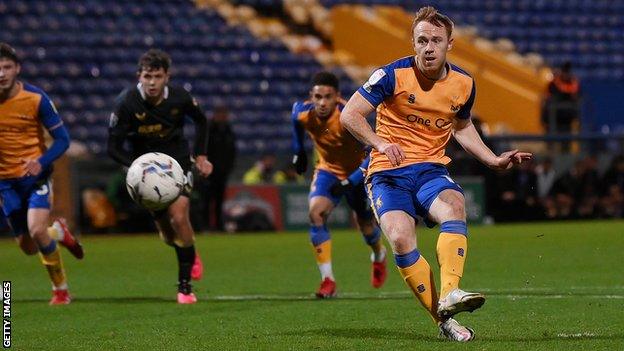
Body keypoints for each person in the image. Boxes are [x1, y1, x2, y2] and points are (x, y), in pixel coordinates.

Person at [339, 7, 532, 341]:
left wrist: (492, 159)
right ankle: (444, 321)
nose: (429, 48)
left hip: (429, 169)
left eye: (436, 41)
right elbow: (351, 115)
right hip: (388, 172)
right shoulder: (391, 76)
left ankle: (451, 293)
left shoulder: (464, 84)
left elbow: (462, 126)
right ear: (413, 43)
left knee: (455, 205)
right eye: (422, 40)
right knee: (400, 237)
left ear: (450, 44)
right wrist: (379, 143)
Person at [107, 49, 213, 304]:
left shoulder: (180, 98)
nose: (152, 82)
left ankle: (184, 287)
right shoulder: (126, 103)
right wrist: (136, 168)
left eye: (157, 76)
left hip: (177, 164)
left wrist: (200, 156)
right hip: (146, 175)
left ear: (167, 77)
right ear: (139, 76)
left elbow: (201, 121)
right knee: (167, 234)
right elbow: (113, 147)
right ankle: (188, 251)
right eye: (147, 76)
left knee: (179, 216)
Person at [0, 43, 83, 305]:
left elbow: (62, 140)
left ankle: (61, 290)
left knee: (36, 230)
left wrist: (40, 160)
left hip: (35, 177)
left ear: (17, 69)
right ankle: (58, 233)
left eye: (6, 67)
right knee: (27, 247)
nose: (1, 73)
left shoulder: (36, 99)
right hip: (5, 182)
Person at [292, 71, 387, 298]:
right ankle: (328, 280)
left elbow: (371, 154)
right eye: (318, 97)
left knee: (365, 227)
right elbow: (296, 126)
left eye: (328, 97)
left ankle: (378, 254)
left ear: (337, 97)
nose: (322, 102)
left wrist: (349, 182)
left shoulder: (348, 115)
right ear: (311, 97)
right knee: (316, 214)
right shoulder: (301, 112)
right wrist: (299, 153)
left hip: (357, 174)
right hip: (327, 170)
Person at [204, 105, 236, 231]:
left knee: (219, 200)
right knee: (207, 200)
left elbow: (232, 151)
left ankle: (218, 225)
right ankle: (205, 225)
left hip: (223, 172)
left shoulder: (228, 130)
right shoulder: (209, 130)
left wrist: (229, 167)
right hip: (209, 172)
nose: (224, 117)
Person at [542, 61, 581, 151]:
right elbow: (548, 99)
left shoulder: (574, 83)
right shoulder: (553, 83)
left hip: (567, 118)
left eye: (567, 71)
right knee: (551, 143)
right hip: (553, 117)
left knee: (566, 143)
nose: (566, 74)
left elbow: (577, 98)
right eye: (564, 71)